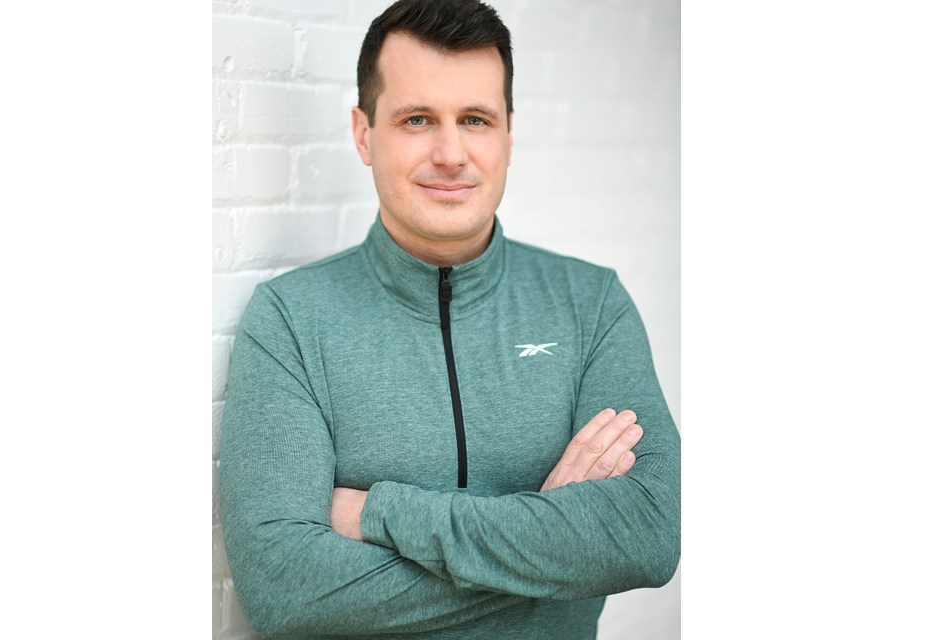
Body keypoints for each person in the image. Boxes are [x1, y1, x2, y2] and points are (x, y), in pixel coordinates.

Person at [219, 0, 680, 637]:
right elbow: (284, 591)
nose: (451, 152)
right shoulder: (291, 322)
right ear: (363, 134)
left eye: (475, 119)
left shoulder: (591, 305)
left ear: (508, 136)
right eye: (416, 119)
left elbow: (650, 534)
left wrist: (380, 514)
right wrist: (560, 551)